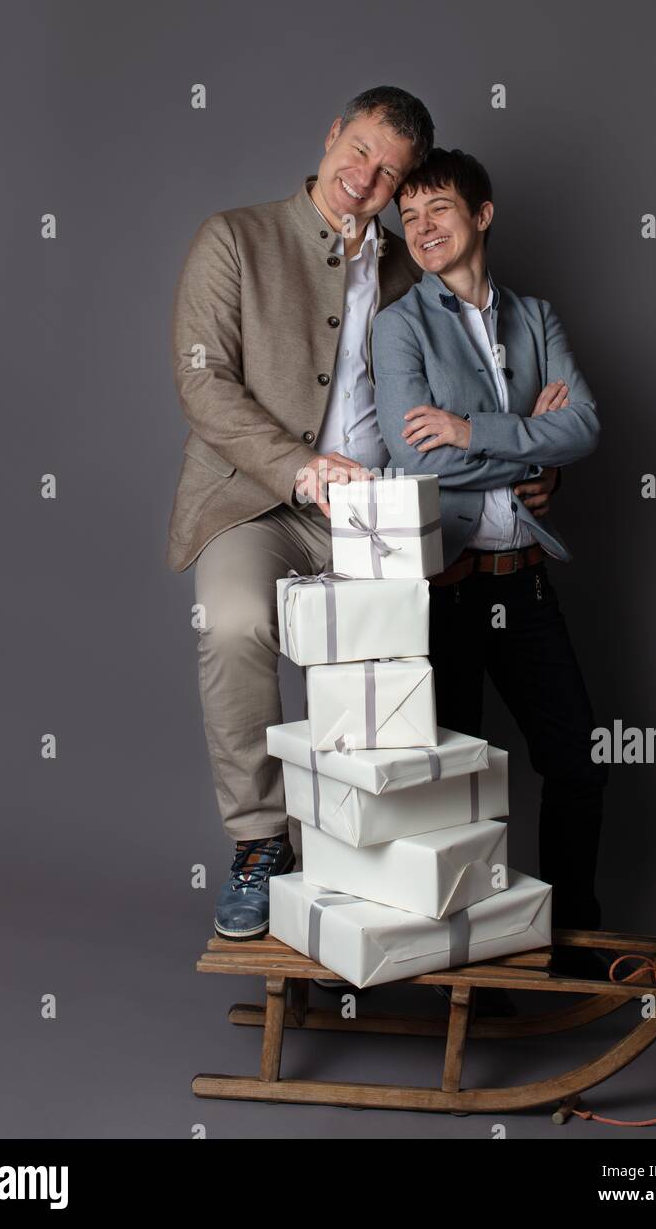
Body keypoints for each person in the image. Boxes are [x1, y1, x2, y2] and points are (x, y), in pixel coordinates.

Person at [167, 87, 435, 939]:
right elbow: (203, 384)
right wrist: (302, 468)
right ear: (330, 135)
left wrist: (526, 464)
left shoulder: (407, 265)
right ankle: (259, 843)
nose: (365, 179)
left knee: (410, 649)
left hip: (377, 513)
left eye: (389, 173)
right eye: (358, 152)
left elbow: (455, 383)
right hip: (256, 502)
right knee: (237, 621)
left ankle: (392, 856)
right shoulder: (234, 237)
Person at [372, 148, 609, 979]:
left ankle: (573, 945)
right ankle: (472, 970)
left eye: (438, 209)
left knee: (579, 762)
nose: (422, 228)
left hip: (527, 583)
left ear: (482, 214)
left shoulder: (535, 318)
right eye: (409, 217)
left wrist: (474, 432)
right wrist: (533, 456)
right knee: (458, 794)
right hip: (448, 589)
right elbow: (412, 459)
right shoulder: (399, 323)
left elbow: (586, 425)